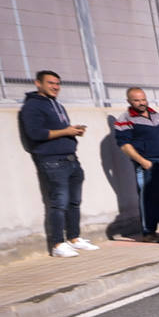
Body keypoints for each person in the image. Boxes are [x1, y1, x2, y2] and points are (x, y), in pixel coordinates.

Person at [18, 70, 100, 257]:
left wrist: (72, 132)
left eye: (57, 83)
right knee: (59, 203)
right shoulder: (32, 107)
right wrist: (66, 131)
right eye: (51, 83)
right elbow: (36, 134)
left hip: (71, 159)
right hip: (52, 161)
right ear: (38, 84)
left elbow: (58, 130)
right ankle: (57, 244)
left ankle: (74, 238)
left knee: (74, 202)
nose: (55, 87)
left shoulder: (56, 104)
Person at [114, 86, 159, 242]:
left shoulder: (156, 115)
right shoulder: (125, 119)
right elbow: (124, 145)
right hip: (147, 163)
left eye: (143, 99)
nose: (141, 103)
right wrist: (143, 162)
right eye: (137, 100)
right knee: (149, 197)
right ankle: (149, 232)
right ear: (129, 101)